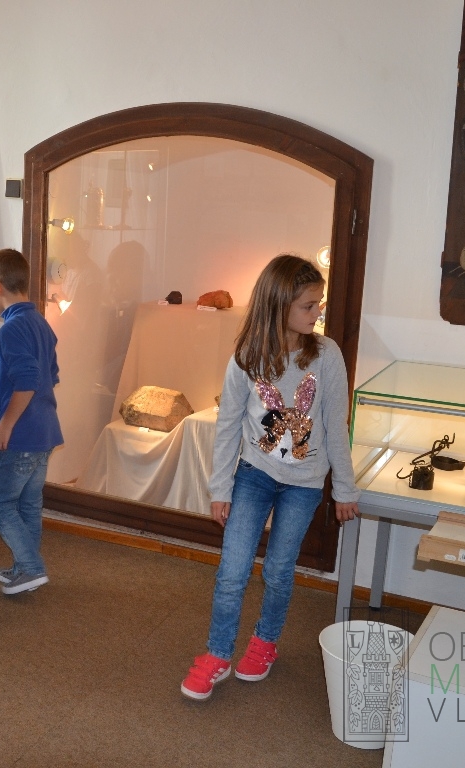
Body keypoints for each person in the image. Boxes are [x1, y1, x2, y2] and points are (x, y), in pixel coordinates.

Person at [180, 254, 359, 701]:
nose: (317, 312)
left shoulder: (327, 356)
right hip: (254, 476)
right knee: (232, 571)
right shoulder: (246, 358)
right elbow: (228, 426)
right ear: (279, 305)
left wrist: (344, 488)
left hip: (304, 483)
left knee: (279, 570)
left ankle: (265, 642)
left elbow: (336, 425)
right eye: (308, 305)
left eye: (318, 303)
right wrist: (220, 488)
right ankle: (218, 654)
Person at [0, 248, 63, 596]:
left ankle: (31, 567)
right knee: (28, 505)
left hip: (21, 437)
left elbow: (28, 380)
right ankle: (24, 567)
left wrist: (5, 424)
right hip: (45, 432)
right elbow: (51, 376)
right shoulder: (41, 323)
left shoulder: (11, 329)